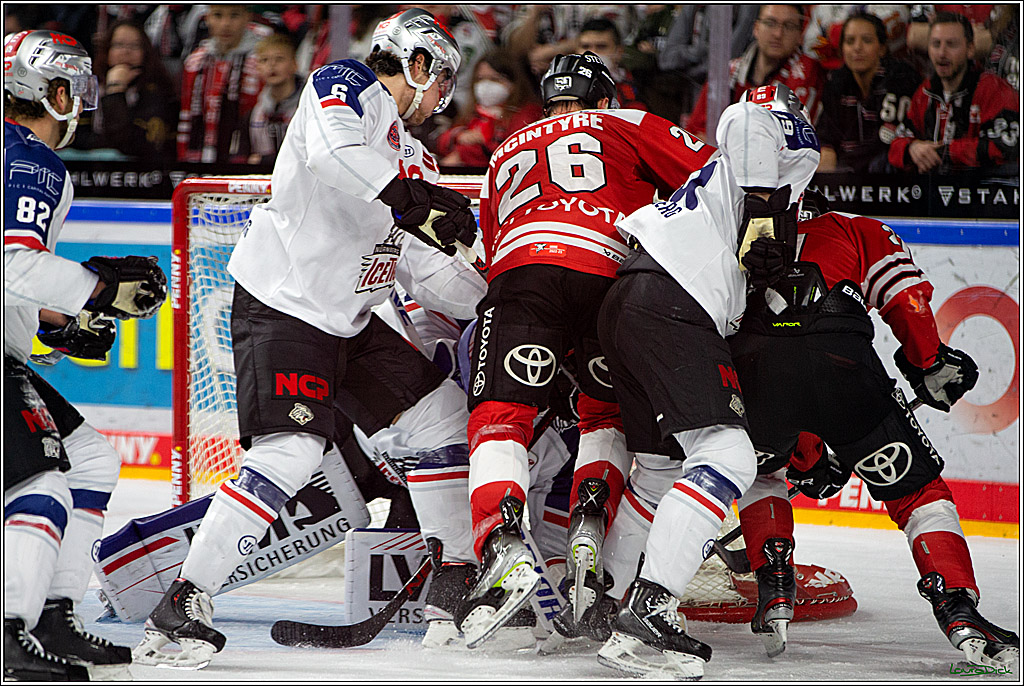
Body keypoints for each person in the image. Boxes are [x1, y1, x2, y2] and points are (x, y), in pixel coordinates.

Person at [132, 8, 483, 669]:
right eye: (442, 81)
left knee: (443, 419)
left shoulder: (416, 157)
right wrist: (409, 196)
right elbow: (333, 155)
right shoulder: (343, 82)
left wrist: (497, 299)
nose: (443, 100)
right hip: (284, 307)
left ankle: (454, 583)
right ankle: (183, 599)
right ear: (417, 63)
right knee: (290, 452)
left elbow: (419, 260)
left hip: (351, 322)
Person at [457, 52, 715, 650]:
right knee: (604, 415)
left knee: (500, 421)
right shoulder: (626, 121)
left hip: (523, 277)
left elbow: (490, 252)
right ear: (605, 97)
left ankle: (501, 547)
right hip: (612, 276)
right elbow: (717, 179)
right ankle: (590, 532)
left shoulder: (504, 150)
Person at [727, 191, 1020, 667]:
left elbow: (747, 335)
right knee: (919, 493)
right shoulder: (854, 227)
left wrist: (806, 449)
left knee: (763, 474)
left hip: (754, 370)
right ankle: (959, 609)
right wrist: (929, 362)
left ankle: (775, 584)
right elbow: (906, 299)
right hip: (843, 362)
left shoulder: (735, 227)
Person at [594, 84, 820, 679]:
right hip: (673, 295)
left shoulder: (731, 186)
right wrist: (767, 215)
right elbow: (746, 115)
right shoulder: (771, 137)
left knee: (662, 471)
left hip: (629, 298)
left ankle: (605, 603)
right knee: (727, 454)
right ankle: (652, 605)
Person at [4, 29, 167, 680]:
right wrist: (98, 292)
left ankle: (50, 617)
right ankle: (11, 632)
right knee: (40, 483)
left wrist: (58, 322)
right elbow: (14, 260)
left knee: (92, 459)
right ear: (54, 90)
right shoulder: (30, 156)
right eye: (76, 86)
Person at [888, 12, 1019, 174]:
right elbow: (897, 142)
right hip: (935, 187)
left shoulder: (994, 90)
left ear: (970, 49)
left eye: (951, 44)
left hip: (981, 189)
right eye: (936, 44)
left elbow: (1006, 146)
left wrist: (946, 153)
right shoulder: (925, 91)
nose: (942, 53)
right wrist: (912, 148)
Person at [686, 5, 825, 139]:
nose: (778, 34)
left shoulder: (806, 73)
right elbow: (694, 131)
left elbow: (788, 142)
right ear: (756, 28)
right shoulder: (728, 71)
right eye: (770, 23)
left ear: (800, 35)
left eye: (789, 26)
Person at [816, 12, 921, 173]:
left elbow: (886, 142)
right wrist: (826, 152)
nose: (857, 48)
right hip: (847, 176)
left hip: (889, 176)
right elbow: (825, 135)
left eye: (867, 40)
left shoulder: (901, 79)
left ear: (882, 48)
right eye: (850, 41)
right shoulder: (836, 82)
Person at [74, 19, 179, 162]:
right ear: (107, 50)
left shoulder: (158, 92)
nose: (126, 52)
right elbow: (76, 138)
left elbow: (129, 144)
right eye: (119, 45)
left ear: (145, 53)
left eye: (134, 46)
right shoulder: (88, 86)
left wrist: (116, 90)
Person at [177, 5, 269, 163]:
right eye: (218, 15)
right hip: (203, 155)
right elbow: (186, 114)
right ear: (207, 18)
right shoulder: (195, 62)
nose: (226, 24)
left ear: (247, 17)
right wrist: (183, 156)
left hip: (249, 157)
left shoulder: (263, 60)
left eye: (234, 15)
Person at [436, 50, 543, 168]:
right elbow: (442, 142)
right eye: (480, 79)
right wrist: (459, 136)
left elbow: (511, 153)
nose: (485, 86)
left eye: (494, 79)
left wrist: (464, 153)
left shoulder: (527, 115)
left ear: (514, 83)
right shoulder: (474, 111)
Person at [247, 33, 303, 165]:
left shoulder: (307, 107)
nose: (271, 65)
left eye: (279, 59)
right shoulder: (254, 113)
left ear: (294, 64)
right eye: (264, 60)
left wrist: (264, 160)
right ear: (257, 67)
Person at [576, 18, 647, 110]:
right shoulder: (562, 87)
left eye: (601, 47)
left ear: (619, 52)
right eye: (585, 47)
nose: (592, 53)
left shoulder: (638, 86)